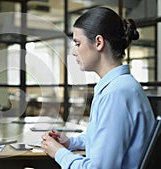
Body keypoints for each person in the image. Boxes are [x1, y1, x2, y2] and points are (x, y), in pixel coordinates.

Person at [41, 7, 155, 169]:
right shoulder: (120, 86)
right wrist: (70, 142)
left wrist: (58, 153)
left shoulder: (116, 93)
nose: (74, 52)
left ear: (99, 43)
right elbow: (106, 141)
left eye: (77, 43)